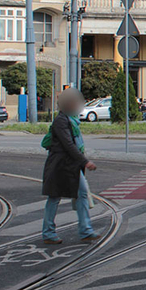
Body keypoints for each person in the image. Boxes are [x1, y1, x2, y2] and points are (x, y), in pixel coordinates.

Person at [41, 88, 99, 244]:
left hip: (70, 165)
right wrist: (85, 161)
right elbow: (68, 145)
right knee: (54, 197)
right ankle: (48, 233)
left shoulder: (72, 120)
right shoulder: (61, 121)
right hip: (59, 165)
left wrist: (81, 161)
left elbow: (74, 145)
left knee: (82, 194)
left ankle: (86, 230)